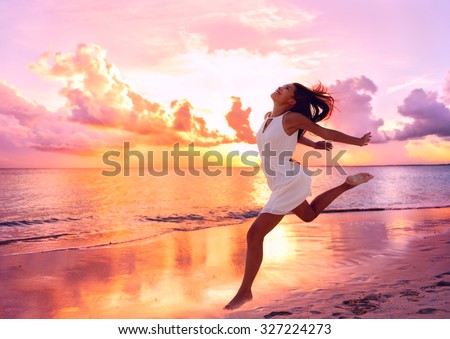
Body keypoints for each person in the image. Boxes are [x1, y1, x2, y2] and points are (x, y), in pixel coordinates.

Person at [224, 82, 373, 310]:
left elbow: (326, 132)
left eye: (285, 89)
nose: (279, 88)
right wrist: (313, 144)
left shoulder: (293, 117)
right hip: (276, 179)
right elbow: (289, 136)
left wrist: (358, 141)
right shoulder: (269, 117)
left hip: (288, 178)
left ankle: (245, 292)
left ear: (292, 102)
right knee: (308, 215)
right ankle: (345, 185)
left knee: (254, 235)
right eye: (282, 86)